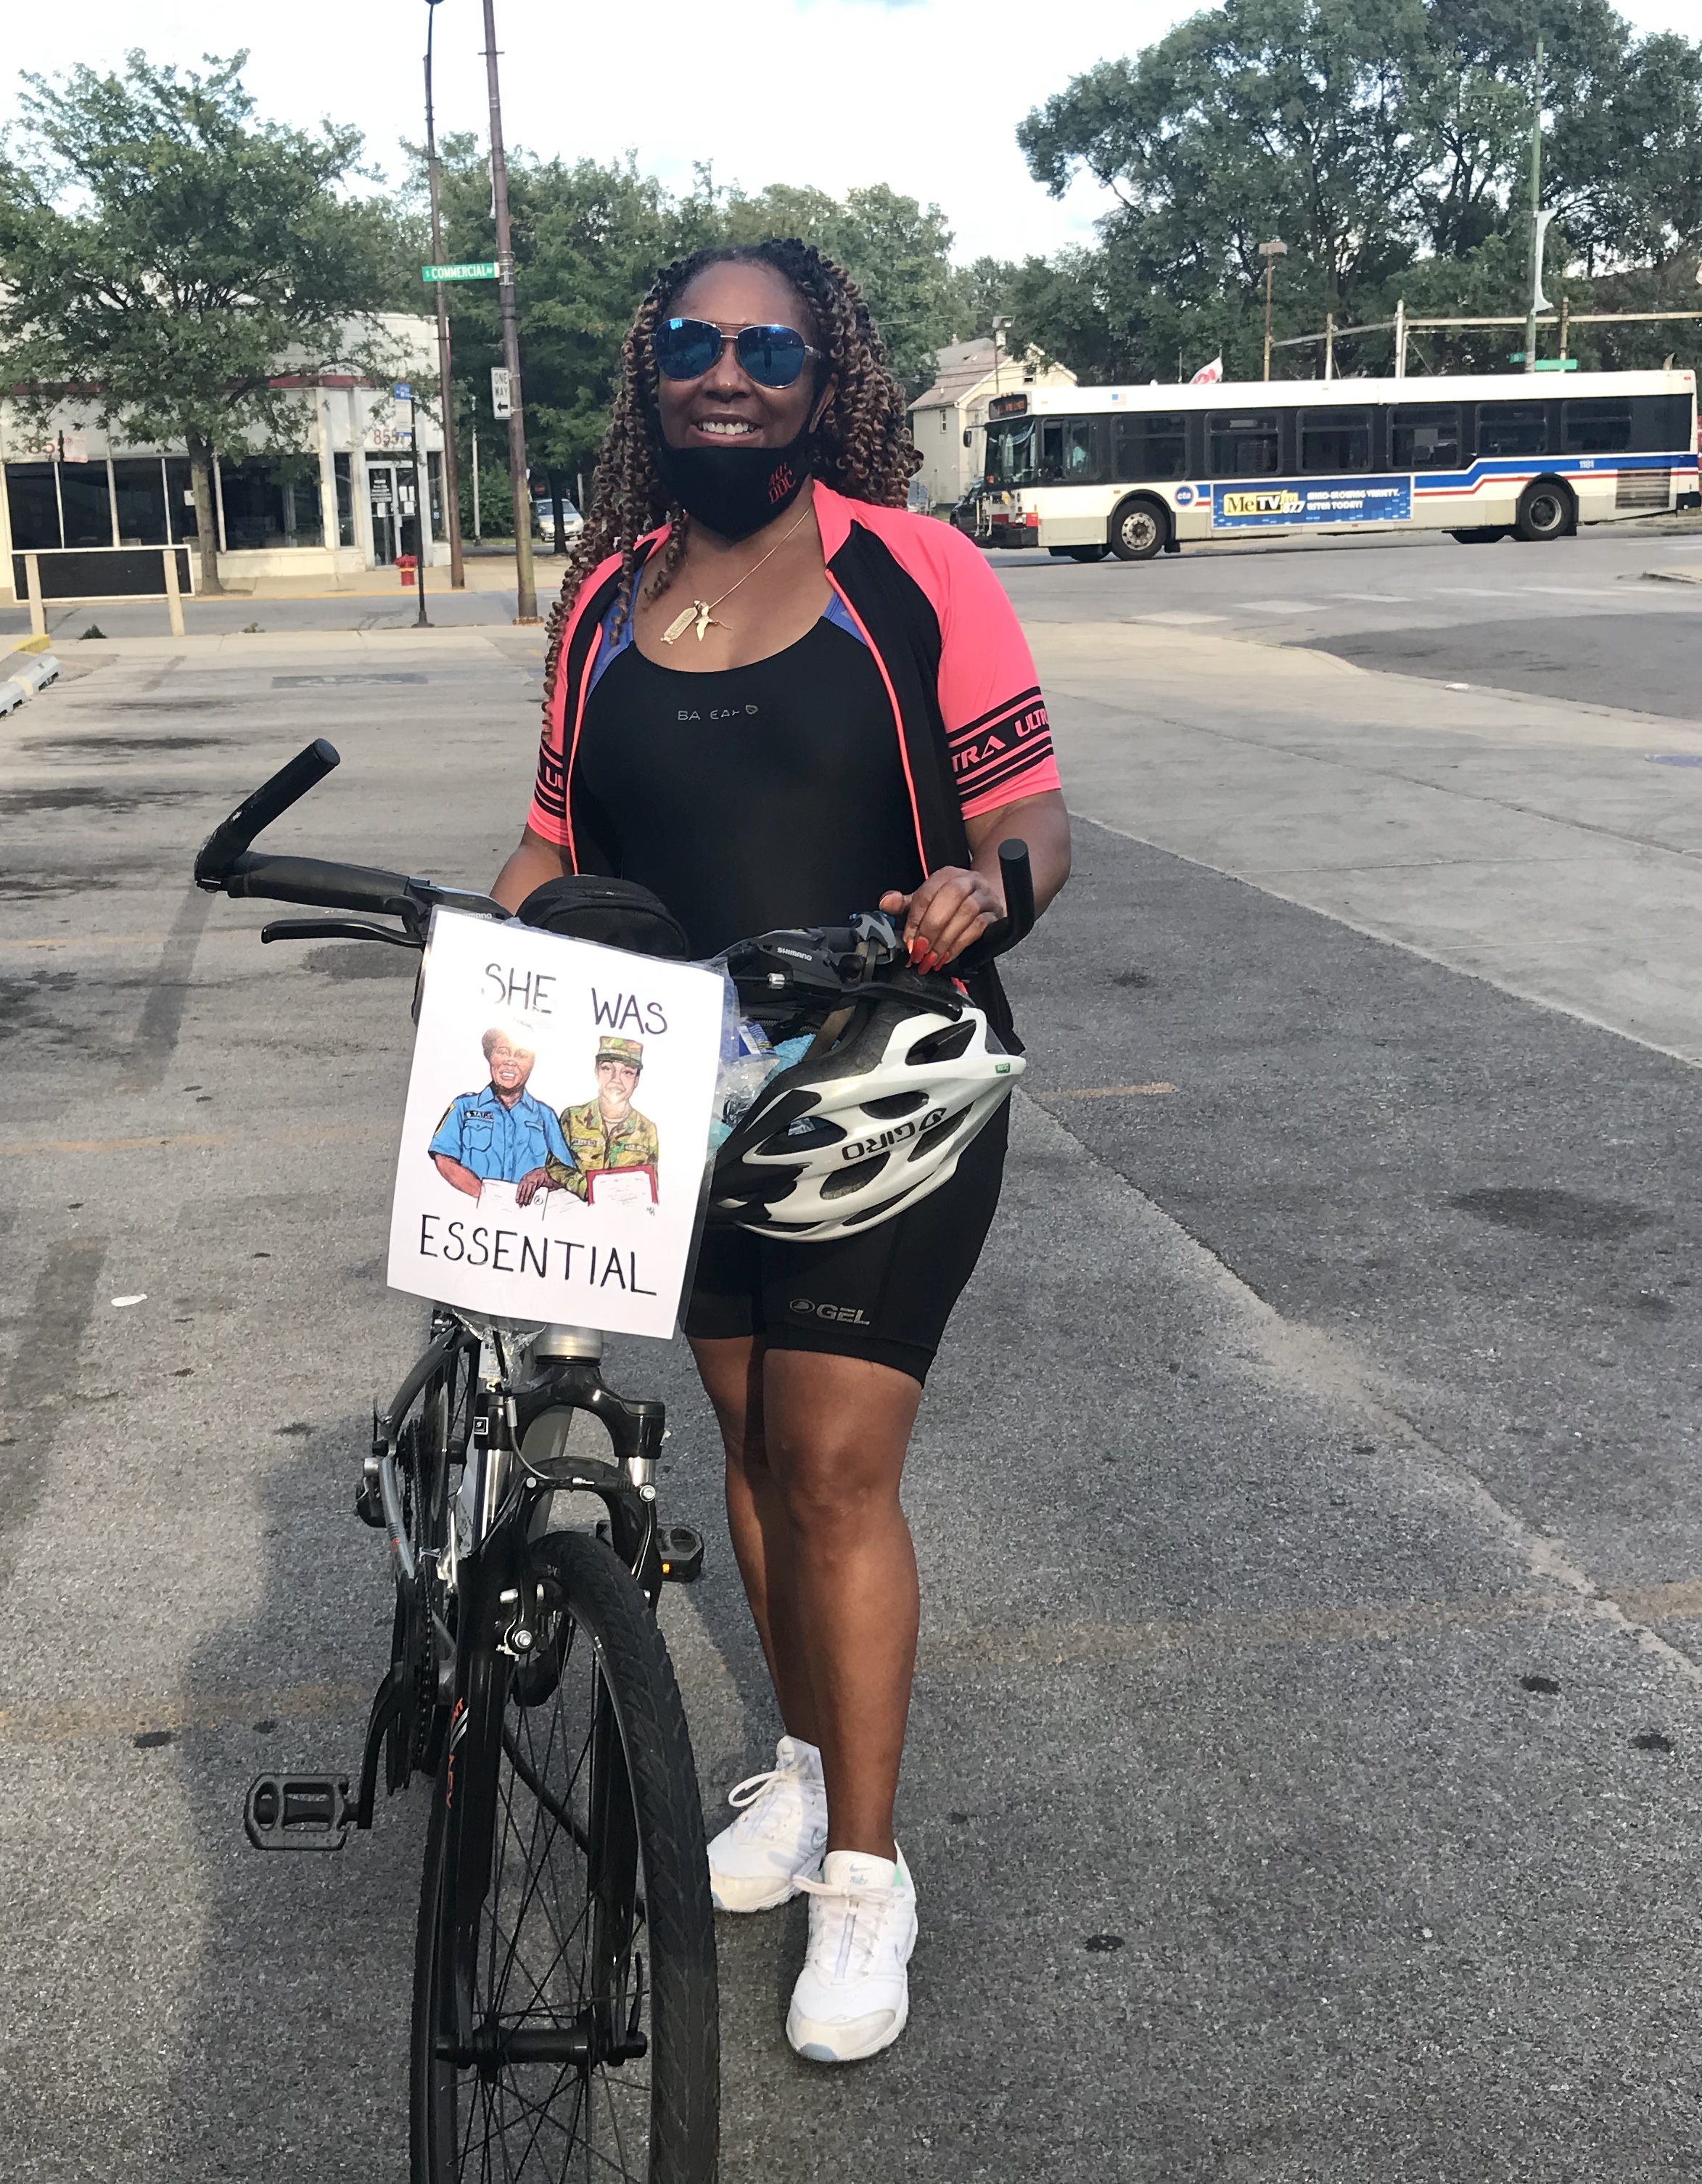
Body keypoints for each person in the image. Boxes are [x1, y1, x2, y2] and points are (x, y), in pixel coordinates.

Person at [489, 238, 1070, 2065]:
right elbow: (548, 846)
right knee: (744, 1441)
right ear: (650, 372)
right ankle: (809, 1779)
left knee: (830, 1466)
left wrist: (990, 891)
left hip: (886, 1075)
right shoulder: (603, 600)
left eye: (768, 347)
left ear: (827, 382)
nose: (726, 372)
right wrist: (471, 966)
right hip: (673, 1091)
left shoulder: (915, 570)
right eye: (691, 341)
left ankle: (870, 1883)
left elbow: (1037, 821)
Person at [427, 1025, 572, 1203]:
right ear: (490, 1057)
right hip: (470, 1213)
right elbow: (444, 1160)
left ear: (532, 1064)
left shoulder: (545, 1115)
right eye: (503, 1052)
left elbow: (567, 1172)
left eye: (521, 1055)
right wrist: (487, 1198)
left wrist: (545, 1175)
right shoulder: (463, 1107)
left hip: (530, 1219)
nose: (510, 1061)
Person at [540, 1033, 662, 1203]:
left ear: (636, 1080)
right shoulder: (573, 1118)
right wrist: (587, 1189)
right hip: (574, 1214)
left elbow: (651, 1187)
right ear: (597, 1072)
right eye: (607, 1068)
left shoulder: (646, 1129)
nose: (616, 1080)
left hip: (622, 1219)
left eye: (627, 1072)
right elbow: (555, 1167)